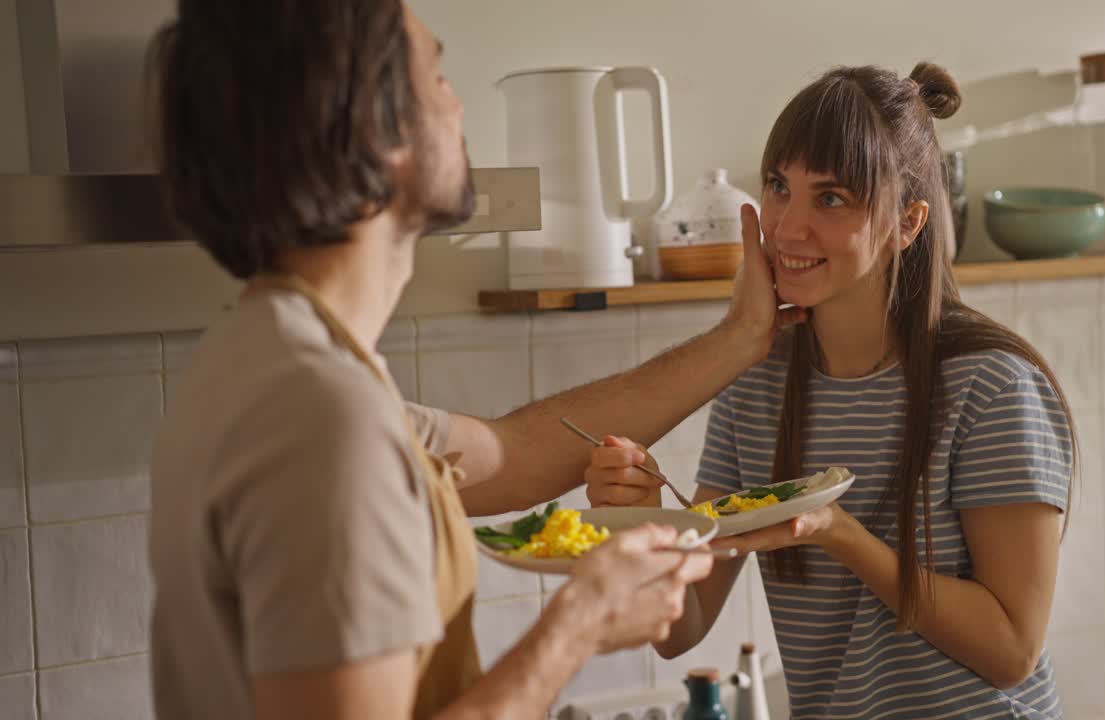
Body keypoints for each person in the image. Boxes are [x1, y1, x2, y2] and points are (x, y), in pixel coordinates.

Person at [145, 2, 803, 719]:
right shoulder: (320, 416)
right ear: (377, 128)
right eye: (439, 75)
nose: (458, 105)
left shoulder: (270, 356)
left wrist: (739, 338)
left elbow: (517, 453)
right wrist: (577, 626)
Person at [586, 63, 1076, 719]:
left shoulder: (988, 386)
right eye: (779, 188)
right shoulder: (755, 386)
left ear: (907, 223)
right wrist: (643, 514)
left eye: (832, 199)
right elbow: (684, 628)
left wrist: (838, 534)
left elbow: (1012, 648)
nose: (788, 228)